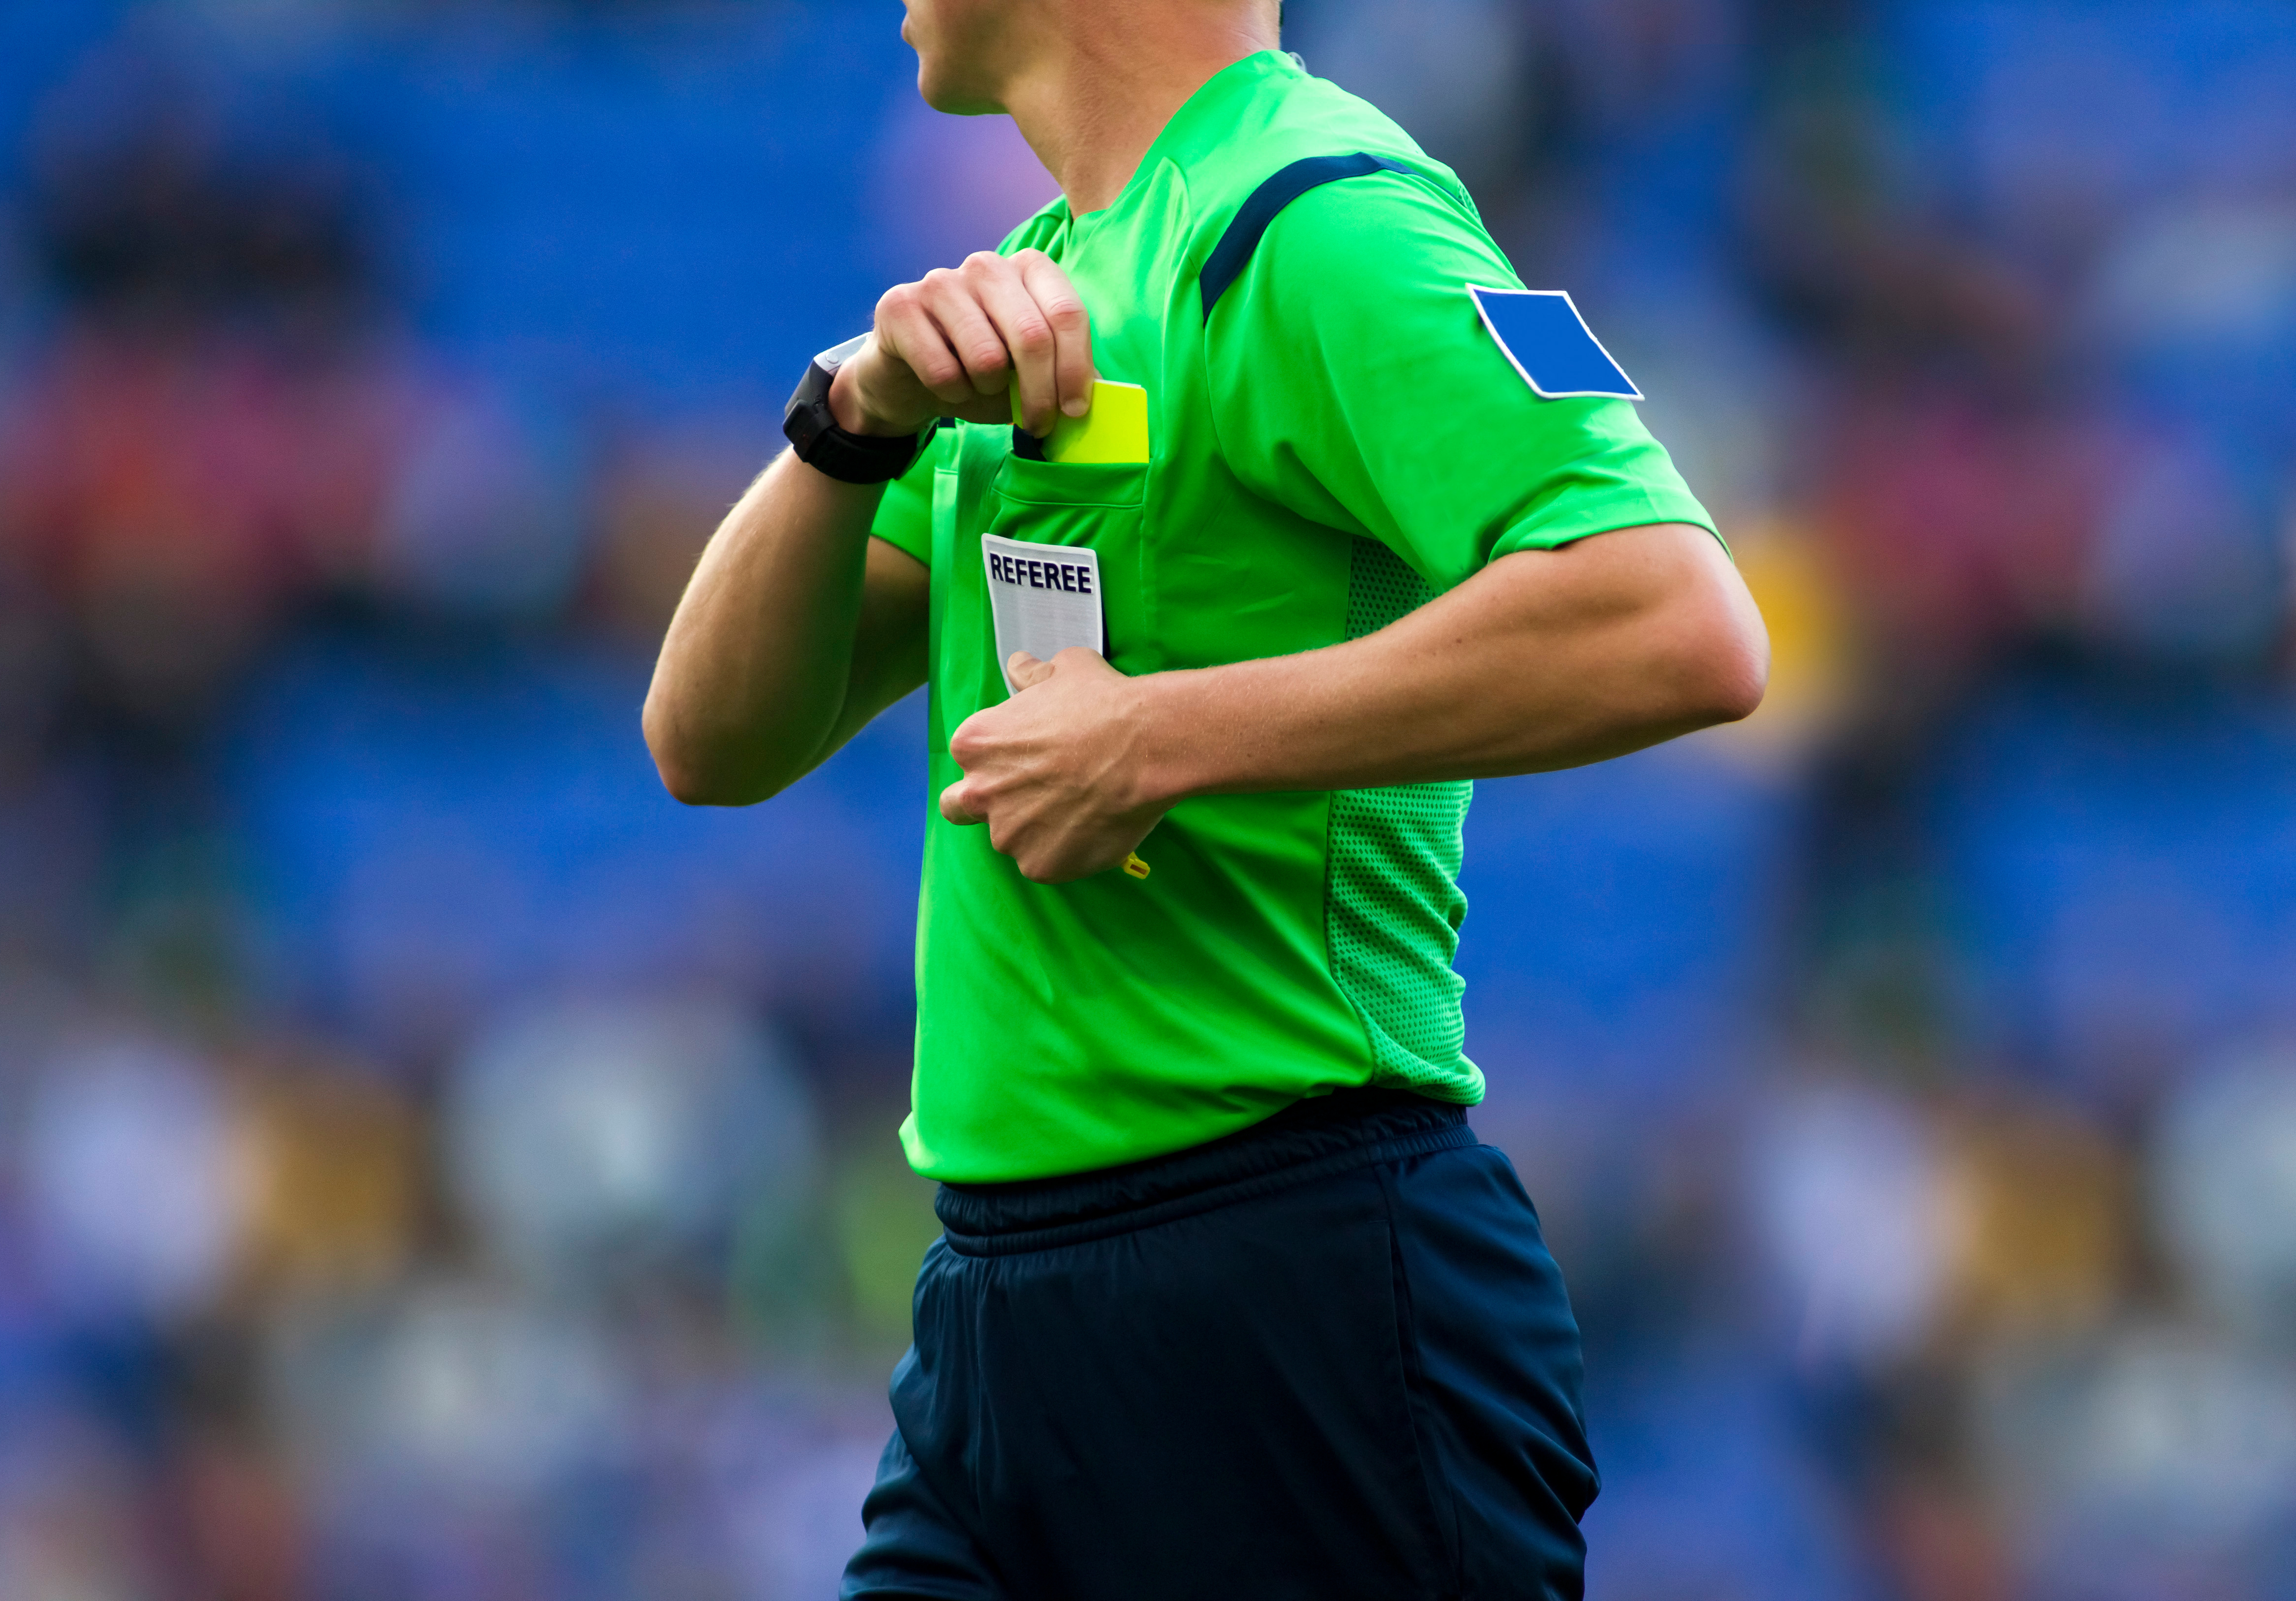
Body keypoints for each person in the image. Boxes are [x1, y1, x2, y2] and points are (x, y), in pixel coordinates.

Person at [643, 0, 1768, 1595]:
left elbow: (1676, 619)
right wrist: (846, 422)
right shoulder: (1033, 288)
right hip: (1000, 1312)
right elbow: (712, 742)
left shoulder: (1320, 220)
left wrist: (1157, 739)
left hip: (1293, 1295)